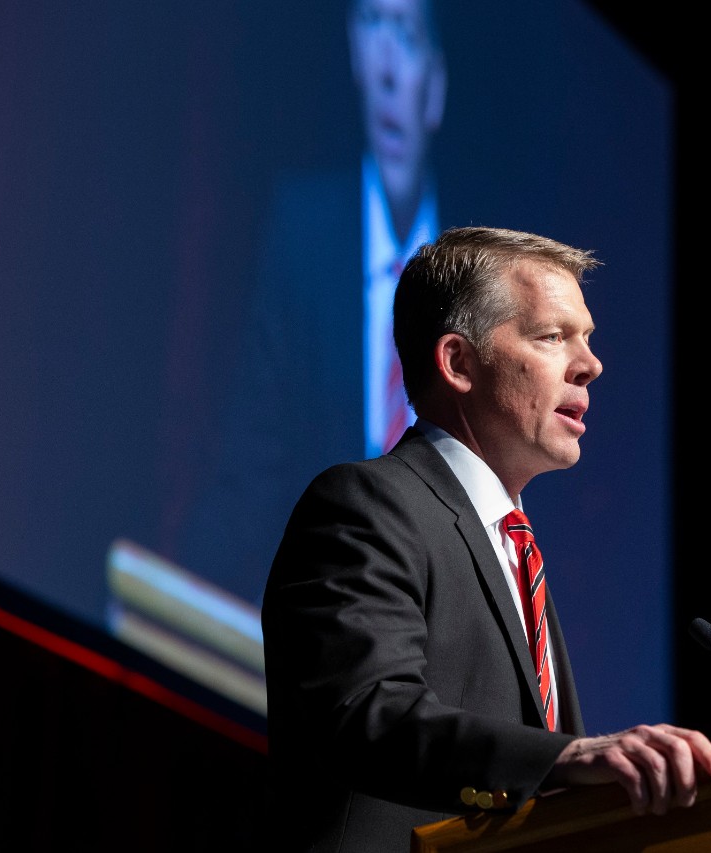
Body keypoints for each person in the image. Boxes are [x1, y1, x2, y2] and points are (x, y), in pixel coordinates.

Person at [262, 226, 711, 851]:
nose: (590, 365)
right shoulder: (369, 505)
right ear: (457, 362)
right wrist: (566, 757)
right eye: (553, 336)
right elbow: (366, 713)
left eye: (586, 339)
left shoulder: (514, 547)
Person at [169, 0, 450, 605]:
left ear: (437, 86)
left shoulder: (484, 277)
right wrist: (175, 598)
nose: (387, 69)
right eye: (372, 27)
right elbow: (251, 466)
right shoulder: (304, 234)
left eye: (405, 34)